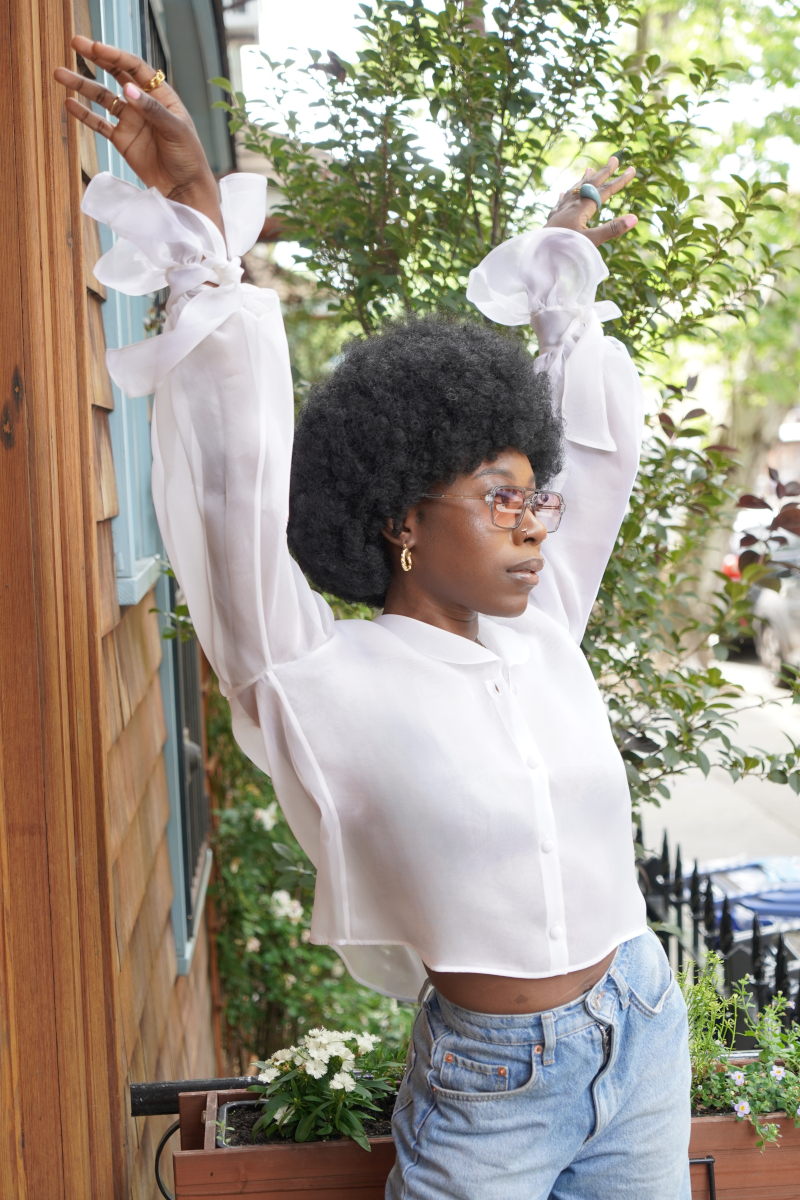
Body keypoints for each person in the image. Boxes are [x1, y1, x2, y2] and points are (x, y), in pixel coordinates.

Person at [56, 37, 691, 1200]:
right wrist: (197, 212)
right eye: (498, 499)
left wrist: (564, 248)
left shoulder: (540, 625)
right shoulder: (316, 677)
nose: (534, 525)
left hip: (642, 1030)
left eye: (532, 494)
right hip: (489, 1084)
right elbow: (231, 492)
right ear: (404, 516)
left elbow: (594, 454)